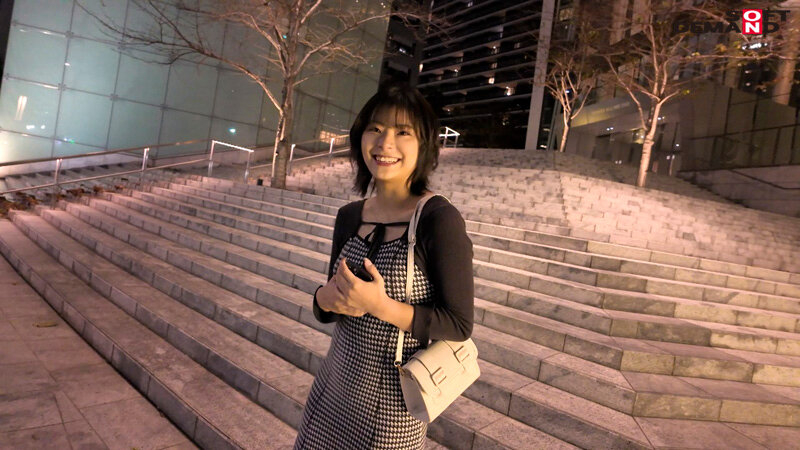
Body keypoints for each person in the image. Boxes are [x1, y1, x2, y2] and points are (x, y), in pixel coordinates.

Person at [293, 82, 475, 450]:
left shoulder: (438, 220)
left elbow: (458, 324)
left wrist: (379, 305)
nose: (385, 143)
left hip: (392, 408)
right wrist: (324, 298)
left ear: (424, 144)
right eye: (375, 128)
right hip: (332, 389)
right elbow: (330, 305)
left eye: (402, 132)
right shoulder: (350, 216)